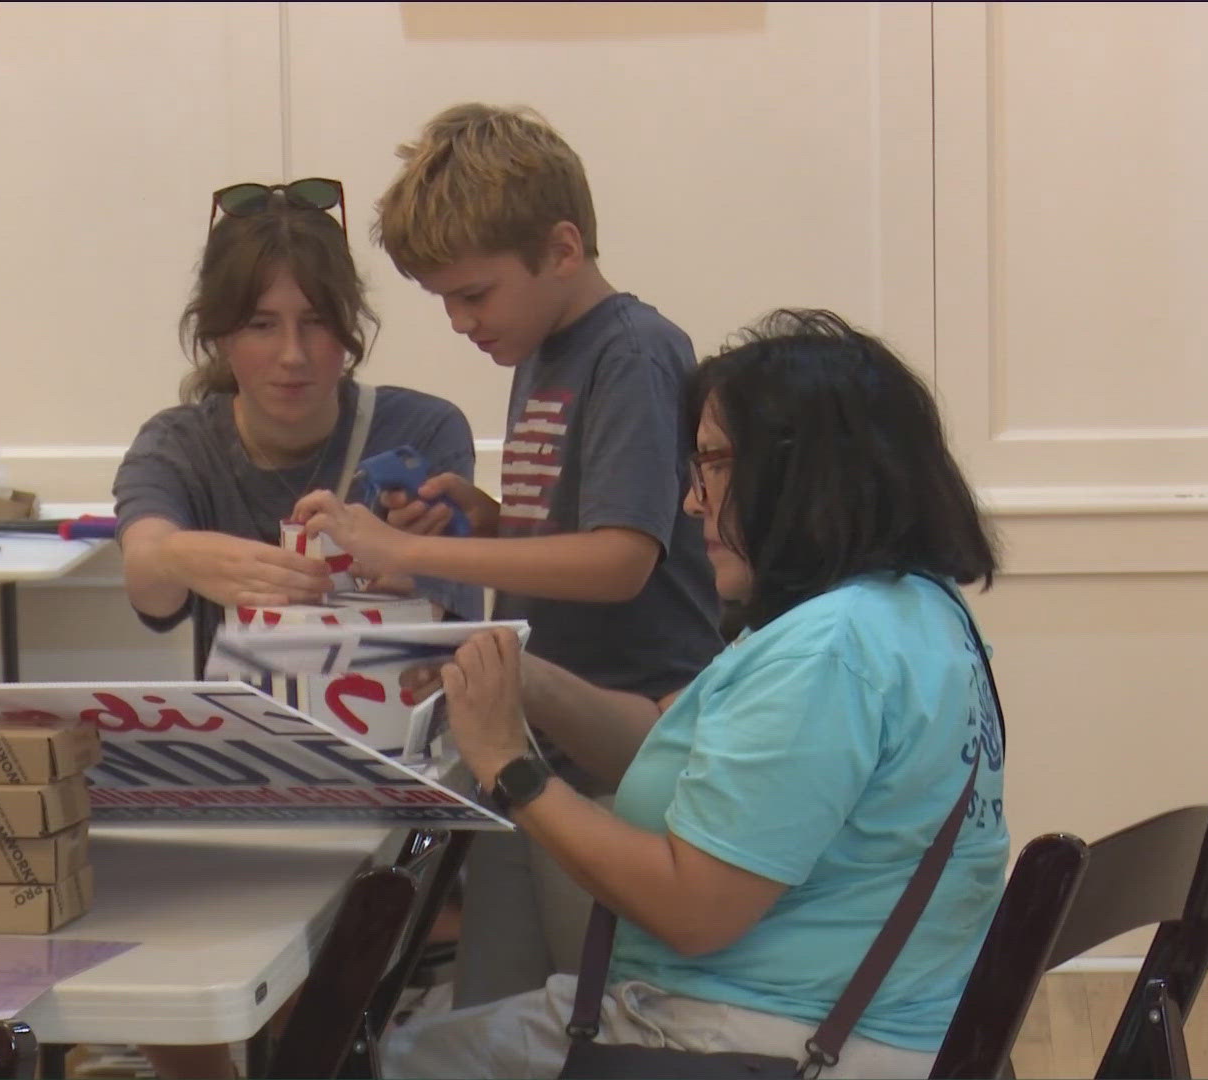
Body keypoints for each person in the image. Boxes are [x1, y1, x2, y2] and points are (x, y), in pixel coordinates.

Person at [381, 309, 1009, 1079]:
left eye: (710, 462)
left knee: (392, 1058)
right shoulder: (913, 610)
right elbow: (677, 751)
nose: (690, 500)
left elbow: (692, 910)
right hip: (848, 1022)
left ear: (797, 469)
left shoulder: (829, 653)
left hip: (769, 1043)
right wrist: (523, 679)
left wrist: (512, 768)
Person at [295, 103, 723, 1008]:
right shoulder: (542, 346)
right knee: (496, 1009)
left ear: (562, 250)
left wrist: (403, 543)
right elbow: (572, 529)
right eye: (445, 298)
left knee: (590, 1024)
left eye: (474, 294)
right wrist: (483, 520)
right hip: (537, 744)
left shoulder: (635, 353)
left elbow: (621, 561)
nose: (458, 321)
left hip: (627, 756)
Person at [114, 178, 483, 674]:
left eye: (315, 322)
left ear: (349, 326)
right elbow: (149, 579)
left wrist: (405, 577)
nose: (292, 355)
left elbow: (447, 624)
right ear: (220, 335)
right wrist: (175, 556)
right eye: (261, 326)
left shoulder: (423, 431)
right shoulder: (177, 445)